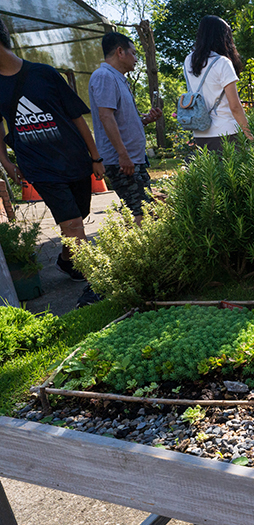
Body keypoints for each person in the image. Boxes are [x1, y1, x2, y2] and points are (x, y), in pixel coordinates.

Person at [0, 17, 105, 307]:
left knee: (76, 218)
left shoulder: (44, 74)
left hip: (74, 160)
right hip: (39, 166)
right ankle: (95, 284)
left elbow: (76, 117)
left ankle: (66, 260)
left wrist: (95, 156)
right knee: (72, 223)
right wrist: (7, 163)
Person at [89, 32, 162, 226]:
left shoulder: (119, 78)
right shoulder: (104, 76)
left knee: (146, 209)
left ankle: (146, 251)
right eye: (134, 53)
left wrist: (145, 120)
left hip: (132, 159)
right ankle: (140, 254)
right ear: (120, 52)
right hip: (123, 161)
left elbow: (119, 118)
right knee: (139, 213)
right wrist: (123, 154)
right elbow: (106, 116)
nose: (136, 59)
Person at [183, 15, 254, 152]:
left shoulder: (188, 61)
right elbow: (235, 106)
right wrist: (250, 135)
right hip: (227, 133)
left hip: (200, 133)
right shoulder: (222, 62)